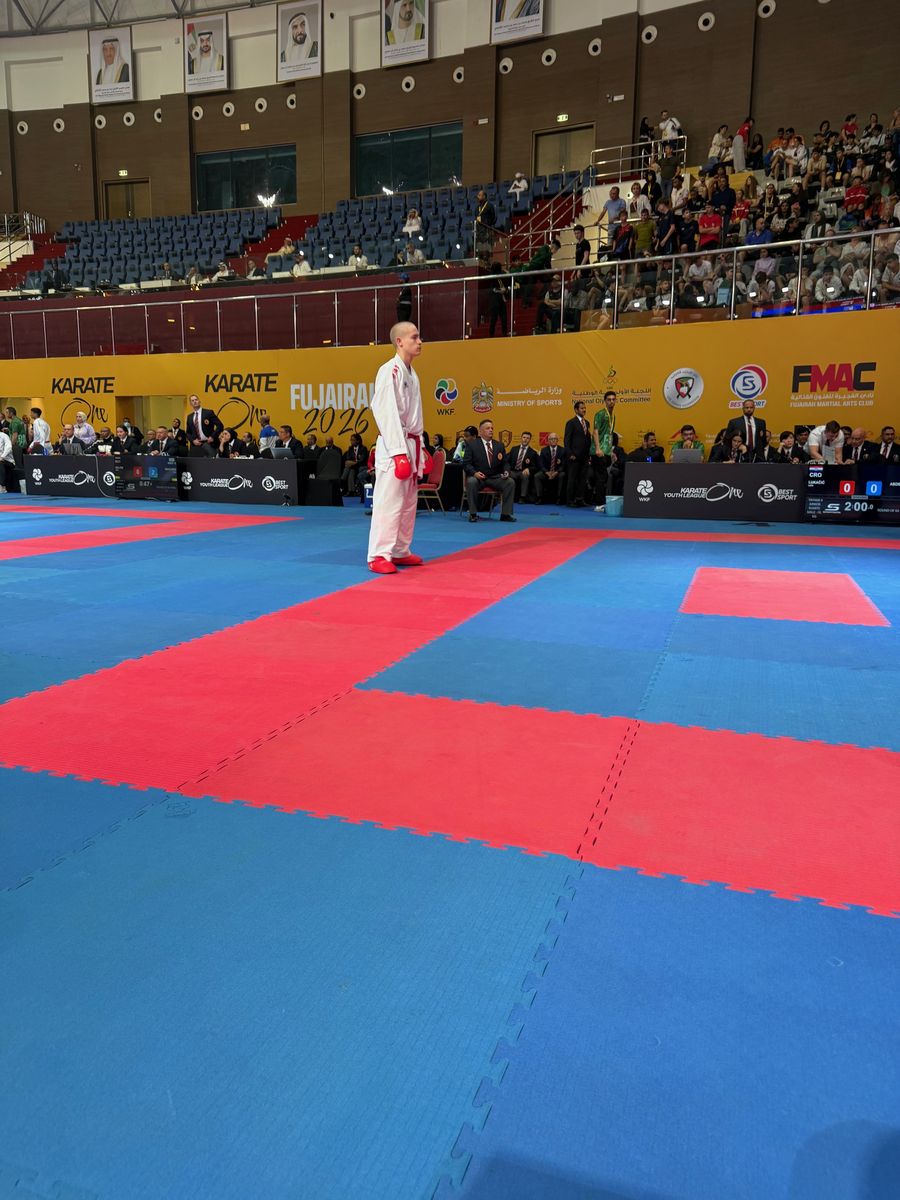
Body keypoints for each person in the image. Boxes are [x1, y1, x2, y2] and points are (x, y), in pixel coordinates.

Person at [367, 321, 430, 572]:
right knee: (389, 502)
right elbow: (385, 412)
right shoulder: (389, 371)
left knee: (408, 503)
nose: (420, 341)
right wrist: (398, 453)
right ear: (399, 341)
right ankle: (378, 555)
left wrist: (420, 449)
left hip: (411, 443)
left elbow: (416, 417)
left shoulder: (413, 374)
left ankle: (400, 550)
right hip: (395, 446)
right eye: (415, 337)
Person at [462, 418, 515, 523]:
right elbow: (466, 464)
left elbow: (505, 463)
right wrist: (474, 473)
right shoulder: (472, 445)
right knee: (471, 481)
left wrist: (506, 471)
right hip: (479, 478)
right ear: (480, 431)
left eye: (492, 428)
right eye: (487, 428)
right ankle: (473, 514)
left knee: (510, 482)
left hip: (495, 477)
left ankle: (505, 514)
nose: (491, 430)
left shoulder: (499, 445)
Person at [563, 399, 592, 507]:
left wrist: (589, 455)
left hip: (584, 457)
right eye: (582, 408)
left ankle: (580, 499)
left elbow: (587, 439)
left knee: (582, 479)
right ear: (576, 410)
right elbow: (567, 440)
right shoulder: (571, 423)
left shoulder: (587, 423)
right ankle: (570, 501)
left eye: (585, 408)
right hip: (574, 456)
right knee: (572, 479)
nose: (584, 410)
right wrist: (570, 454)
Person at [507, 431, 540, 503]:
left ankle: (522, 497)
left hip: (523, 472)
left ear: (530, 440)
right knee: (508, 475)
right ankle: (508, 497)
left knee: (525, 476)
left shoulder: (532, 452)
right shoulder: (514, 449)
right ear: (521, 438)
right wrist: (507, 470)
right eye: (524, 437)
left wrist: (528, 469)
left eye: (527, 438)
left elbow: (536, 466)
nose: (525, 439)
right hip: (513, 471)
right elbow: (507, 461)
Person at [534, 432, 564, 504]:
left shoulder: (563, 450)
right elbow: (541, 464)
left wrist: (556, 472)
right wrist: (547, 472)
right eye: (551, 439)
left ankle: (559, 498)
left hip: (558, 472)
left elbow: (564, 465)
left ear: (557, 440)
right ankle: (539, 498)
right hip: (547, 472)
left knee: (562, 475)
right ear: (548, 440)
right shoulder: (544, 450)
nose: (553, 440)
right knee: (537, 476)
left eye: (555, 439)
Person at [487, 261, 509, 337]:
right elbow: (492, 289)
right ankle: (491, 335)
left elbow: (506, 285)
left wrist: (505, 290)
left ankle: (504, 334)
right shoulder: (491, 277)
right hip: (494, 300)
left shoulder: (501, 277)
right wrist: (500, 290)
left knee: (504, 318)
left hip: (502, 299)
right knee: (494, 318)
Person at [475, 189, 496, 260]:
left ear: (484, 196)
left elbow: (493, 218)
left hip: (487, 231)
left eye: (479, 195)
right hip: (479, 232)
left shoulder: (490, 206)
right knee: (480, 253)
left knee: (487, 253)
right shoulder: (477, 208)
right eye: (478, 195)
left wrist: (488, 225)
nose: (478, 197)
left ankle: (488, 262)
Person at [0, 421, 16, 492]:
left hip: (8, 461)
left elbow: (9, 447)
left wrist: (2, 457)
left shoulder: (4, 436)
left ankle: (2, 486)